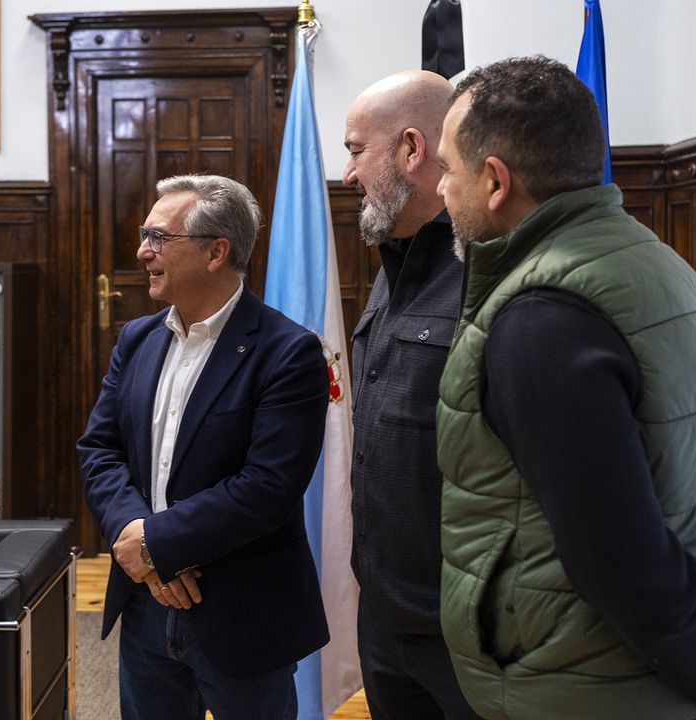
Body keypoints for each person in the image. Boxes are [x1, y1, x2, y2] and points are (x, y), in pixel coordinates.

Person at [433, 55, 696, 720]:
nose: (442, 189)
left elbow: (620, 559)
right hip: (669, 670)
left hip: (587, 692)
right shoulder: (666, 269)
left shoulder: (542, 316)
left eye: (447, 169)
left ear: (495, 181)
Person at [77, 174, 330, 720]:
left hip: (242, 614)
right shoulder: (137, 339)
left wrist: (155, 546)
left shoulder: (289, 353)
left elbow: (268, 488)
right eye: (147, 235)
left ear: (217, 251)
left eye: (160, 237)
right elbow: (99, 448)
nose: (144, 250)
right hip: (145, 603)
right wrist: (133, 540)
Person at [341, 70, 479, 720]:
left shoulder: (485, 272)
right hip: (386, 616)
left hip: (463, 639)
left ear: (411, 151)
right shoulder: (392, 268)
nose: (347, 175)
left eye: (354, 150)